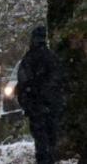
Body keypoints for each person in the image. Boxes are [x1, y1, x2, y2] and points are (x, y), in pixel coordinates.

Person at [16, 25, 66, 164]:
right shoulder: (53, 58)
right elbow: (60, 81)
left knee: (41, 141)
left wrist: (27, 102)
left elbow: (22, 83)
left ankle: (44, 160)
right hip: (52, 106)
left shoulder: (29, 59)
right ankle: (49, 159)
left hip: (36, 107)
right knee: (51, 139)